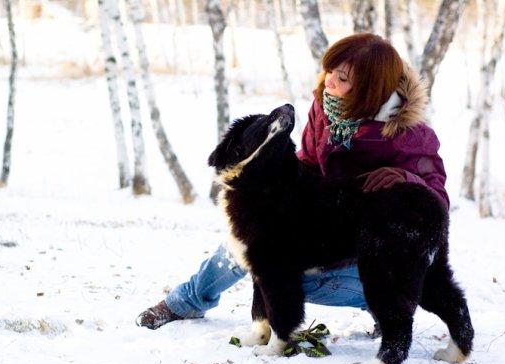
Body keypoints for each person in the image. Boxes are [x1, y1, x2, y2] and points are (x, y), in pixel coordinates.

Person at [136, 33, 449, 334]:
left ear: (368, 89)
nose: (330, 83)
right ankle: (186, 302)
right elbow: (310, 163)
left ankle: (386, 304)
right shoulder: (326, 108)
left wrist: (407, 180)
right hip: (323, 224)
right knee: (250, 244)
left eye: (343, 79)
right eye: (330, 71)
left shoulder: (407, 136)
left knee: (283, 275)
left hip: (373, 242)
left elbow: (438, 204)